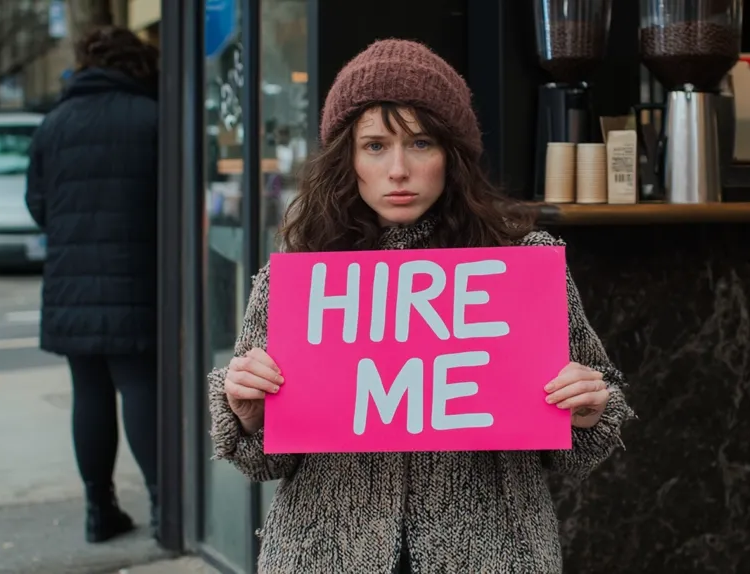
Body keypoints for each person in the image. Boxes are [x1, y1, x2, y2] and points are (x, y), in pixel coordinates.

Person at [207, 39, 635, 572]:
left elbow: (585, 422)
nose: (399, 170)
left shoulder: (519, 268)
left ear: (452, 155)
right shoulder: (300, 281)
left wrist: (588, 409)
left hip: (493, 553)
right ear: (348, 157)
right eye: (375, 146)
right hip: (325, 553)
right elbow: (267, 459)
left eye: (422, 143)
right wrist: (248, 414)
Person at [25, 26, 160, 543]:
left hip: (71, 286)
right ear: (136, 66)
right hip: (136, 277)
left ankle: (97, 511)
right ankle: (163, 507)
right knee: (141, 387)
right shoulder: (152, 119)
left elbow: (38, 206)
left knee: (90, 393)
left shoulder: (53, 124)